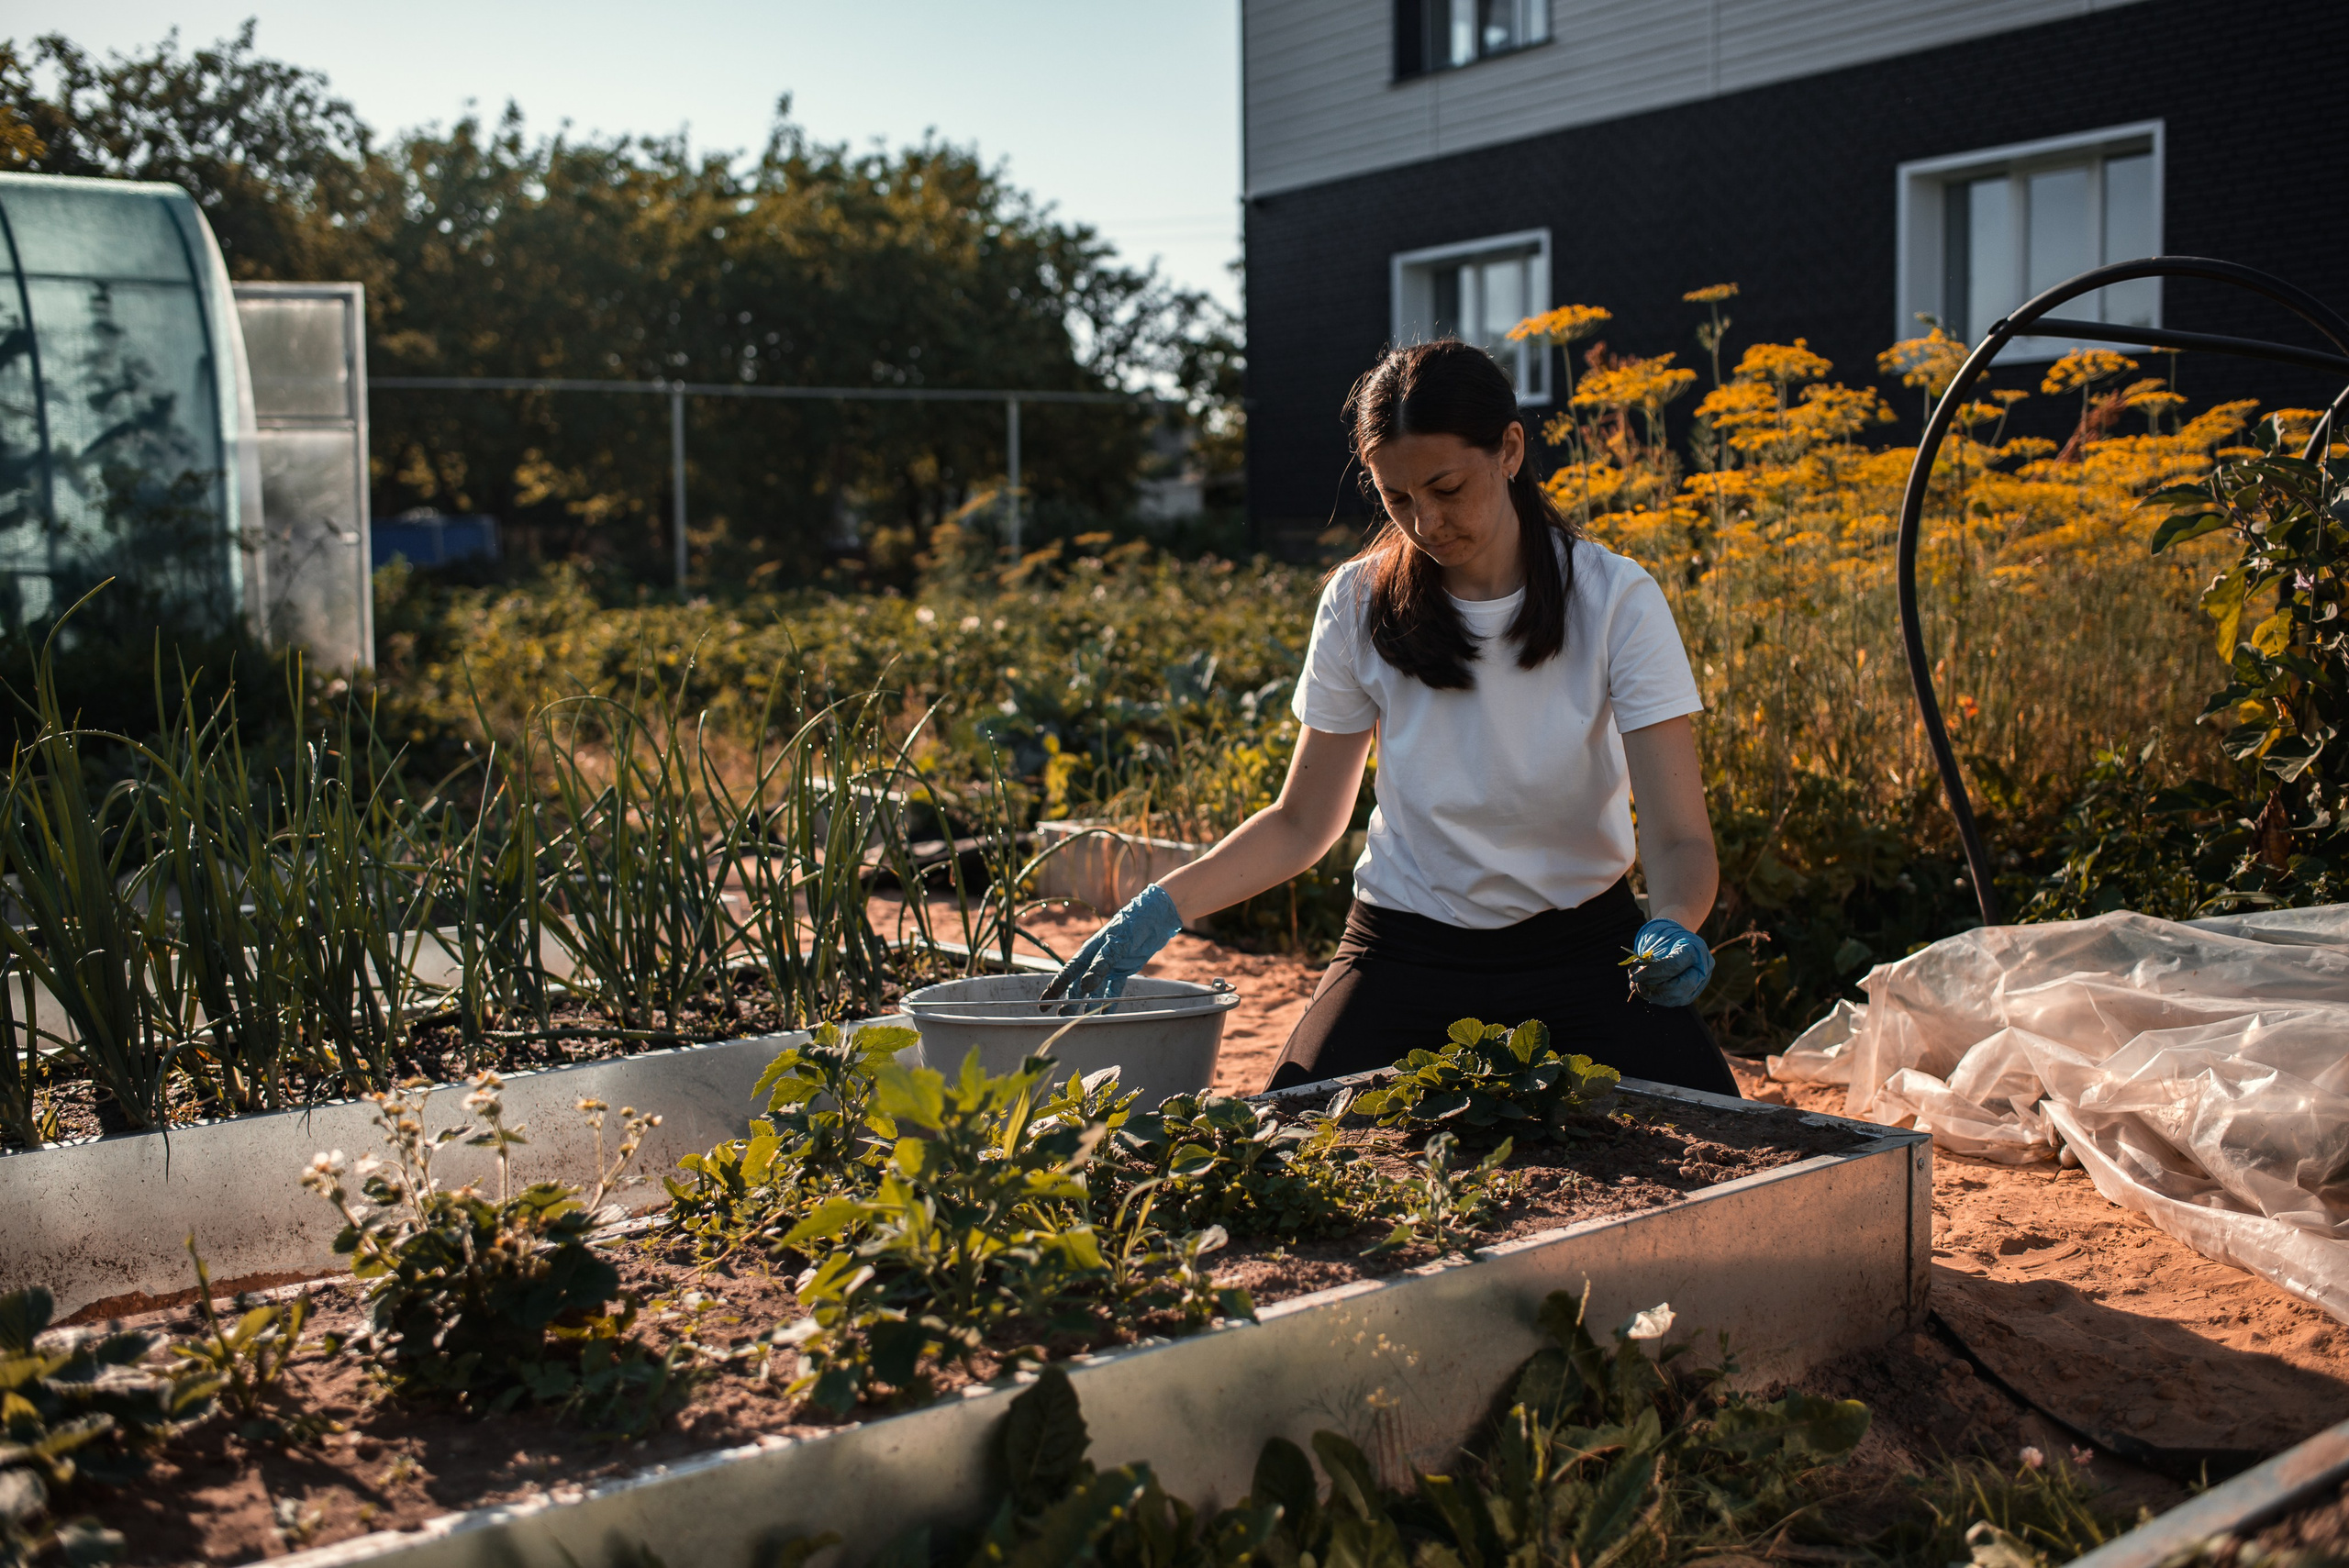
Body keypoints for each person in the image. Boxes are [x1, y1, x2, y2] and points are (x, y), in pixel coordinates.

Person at [1041, 338, 1734, 1097]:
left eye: (1445, 487)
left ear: (1509, 449)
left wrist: (1671, 920)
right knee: (1290, 1131)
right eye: (1397, 499)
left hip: (1584, 947)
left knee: (1733, 1141)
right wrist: (1159, 910)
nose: (1426, 522)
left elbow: (1678, 837)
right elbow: (1303, 823)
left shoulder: (1615, 598)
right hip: (1405, 945)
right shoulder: (1358, 601)